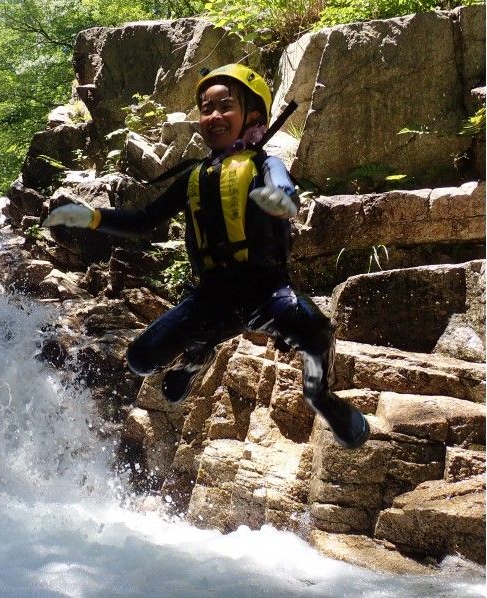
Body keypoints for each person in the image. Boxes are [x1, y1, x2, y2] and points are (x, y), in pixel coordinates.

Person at [42, 64, 369, 449]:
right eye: (205, 107)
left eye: (224, 106)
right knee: (140, 359)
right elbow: (144, 220)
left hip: (266, 293)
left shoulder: (264, 165)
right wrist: (91, 216)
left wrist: (281, 201)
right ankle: (198, 352)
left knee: (315, 330)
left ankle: (321, 397)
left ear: (252, 117)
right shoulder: (194, 177)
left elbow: (284, 188)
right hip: (210, 298)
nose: (212, 116)